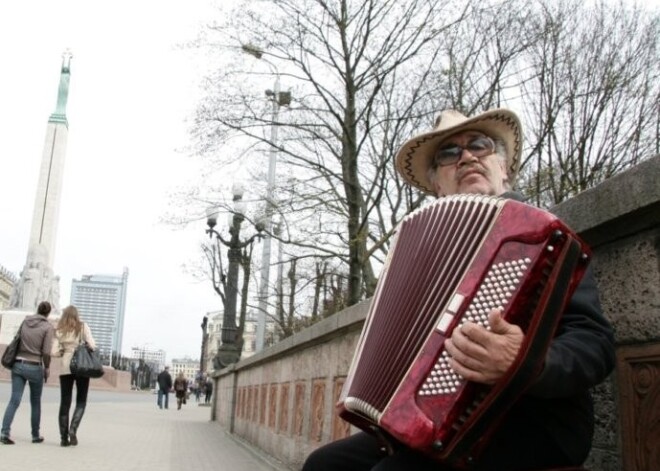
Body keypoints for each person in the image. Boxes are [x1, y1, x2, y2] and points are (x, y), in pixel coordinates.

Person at [302, 109, 616, 471]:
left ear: (504, 169)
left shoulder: (544, 237)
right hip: (437, 422)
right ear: (437, 185)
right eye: (449, 153)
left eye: (479, 145)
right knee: (324, 465)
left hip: (531, 419)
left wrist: (525, 361)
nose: (466, 156)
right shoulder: (420, 253)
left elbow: (595, 343)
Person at [1, 301, 55, 445]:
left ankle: (4, 432)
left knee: (14, 400)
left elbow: (17, 339)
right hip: (35, 366)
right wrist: (47, 367)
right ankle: (35, 435)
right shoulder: (48, 327)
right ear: (48, 313)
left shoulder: (25, 321)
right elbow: (46, 352)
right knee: (35, 402)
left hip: (18, 364)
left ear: (37, 309)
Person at [50, 305, 97, 447]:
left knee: (65, 402)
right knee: (81, 401)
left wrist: (65, 352)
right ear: (77, 315)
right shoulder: (83, 327)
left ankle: (63, 438)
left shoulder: (60, 330)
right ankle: (73, 429)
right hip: (82, 367)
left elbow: (54, 352)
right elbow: (92, 345)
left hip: (66, 367)